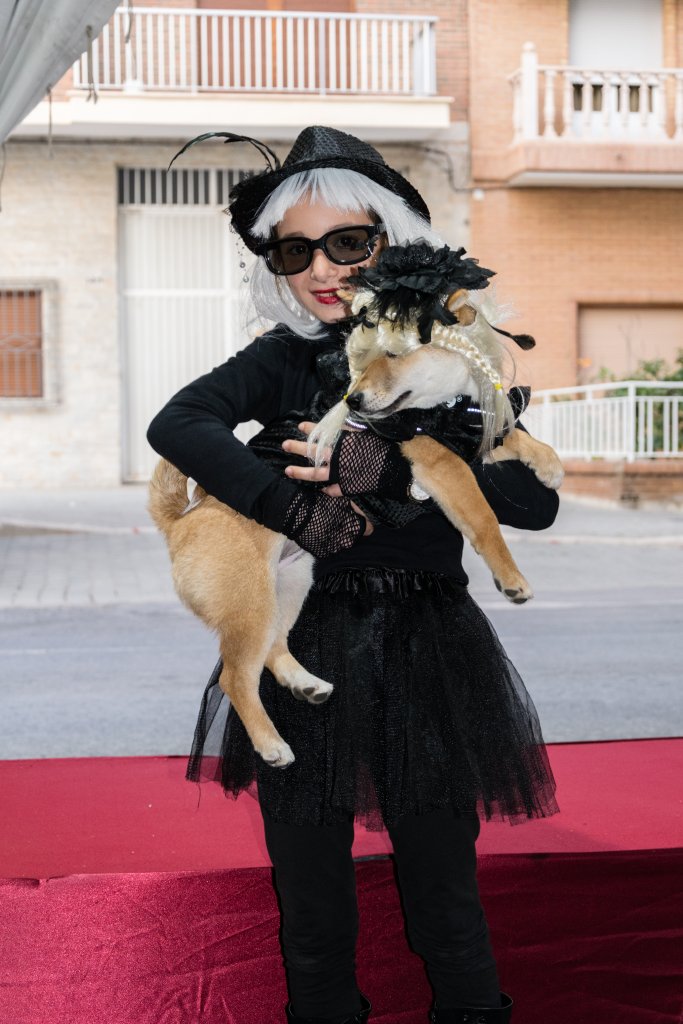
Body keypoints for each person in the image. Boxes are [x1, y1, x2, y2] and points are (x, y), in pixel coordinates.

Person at [147, 126, 560, 1024]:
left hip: (431, 649)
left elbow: (534, 506)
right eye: (294, 250)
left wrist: (393, 458)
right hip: (307, 645)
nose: (322, 269)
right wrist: (292, 509)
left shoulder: (454, 355)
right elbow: (177, 425)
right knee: (311, 907)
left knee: (445, 898)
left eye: (347, 242)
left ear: (393, 240)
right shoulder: (280, 359)